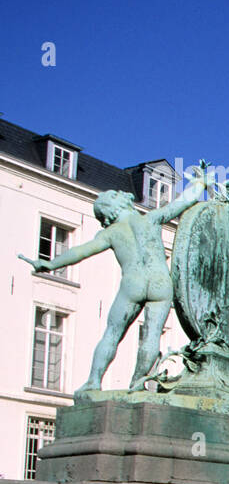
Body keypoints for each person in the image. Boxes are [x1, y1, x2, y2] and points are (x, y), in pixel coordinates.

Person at [17, 167, 213, 395]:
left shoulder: (111, 233)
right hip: (160, 282)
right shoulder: (150, 219)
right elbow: (182, 202)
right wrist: (200, 183)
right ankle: (138, 383)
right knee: (151, 336)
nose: (121, 193)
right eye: (115, 195)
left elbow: (81, 251)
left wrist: (51, 264)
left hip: (133, 282)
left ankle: (93, 381)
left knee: (112, 333)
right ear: (114, 207)